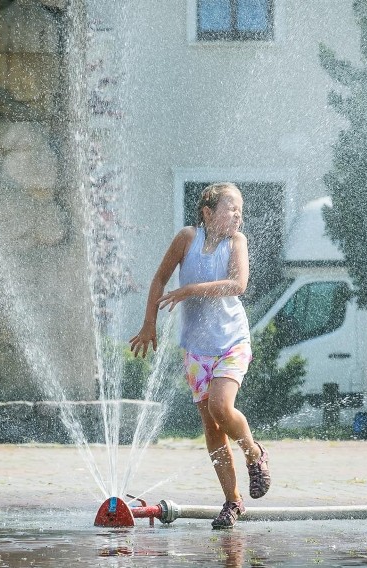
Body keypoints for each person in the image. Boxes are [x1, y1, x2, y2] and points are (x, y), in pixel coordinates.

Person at [129, 182, 270, 528]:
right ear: (207, 213)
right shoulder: (186, 239)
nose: (238, 215)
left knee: (221, 406)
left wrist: (191, 289)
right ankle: (232, 501)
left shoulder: (237, 242)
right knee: (211, 427)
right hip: (196, 349)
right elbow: (160, 278)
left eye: (241, 209)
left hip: (232, 341)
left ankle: (254, 454)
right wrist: (149, 324)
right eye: (231, 208)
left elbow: (238, 285)